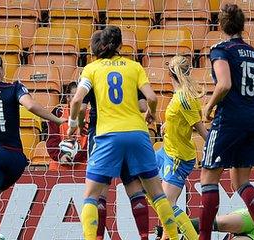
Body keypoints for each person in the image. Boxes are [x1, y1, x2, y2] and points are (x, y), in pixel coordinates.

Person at [67, 26, 179, 240]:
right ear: (120, 45)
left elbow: (77, 101)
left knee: (93, 195)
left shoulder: (92, 69)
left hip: (107, 135)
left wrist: (74, 124)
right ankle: (168, 236)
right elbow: (151, 99)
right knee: (154, 192)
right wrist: (151, 115)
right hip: (137, 133)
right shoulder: (134, 67)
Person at [0, 53, 65, 240]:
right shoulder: (14, 88)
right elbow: (31, 106)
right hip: (16, 160)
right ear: (0, 69)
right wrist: (57, 120)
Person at [200, 4, 254, 240]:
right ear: (242, 26)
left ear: (221, 25)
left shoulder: (221, 50)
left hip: (229, 119)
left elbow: (224, 84)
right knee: (241, 181)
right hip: (253, 118)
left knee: (208, 177)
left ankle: (203, 237)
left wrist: (208, 107)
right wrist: (246, 98)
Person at [82, 84, 152, 240]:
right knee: (134, 188)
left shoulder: (92, 72)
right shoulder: (131, 69)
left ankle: (97, 237)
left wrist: (78, 123)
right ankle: (145, 237)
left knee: (97, 192)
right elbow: (143, 106)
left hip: (102, 132)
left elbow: (80, 106)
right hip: (129, 131)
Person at [156, 55, 208, 240]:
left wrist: (217, 149)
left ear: (170, 73)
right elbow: (178, 120)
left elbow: (202, 130)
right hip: (166, 151)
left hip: (178, 158)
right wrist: (167, 126)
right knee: (137, 177)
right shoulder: (179, 95)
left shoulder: (185, 99)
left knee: (167, 207)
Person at [46, 82, 88, 171]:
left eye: (82, 96)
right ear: (67, 97)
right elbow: (51, 142)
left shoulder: (92, 115)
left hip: (84, 167)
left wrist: (75, 157)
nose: (78, 99)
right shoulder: (58, 113)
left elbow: (92, 144)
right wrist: (61, 156)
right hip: (58, 167)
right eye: (75, 96)